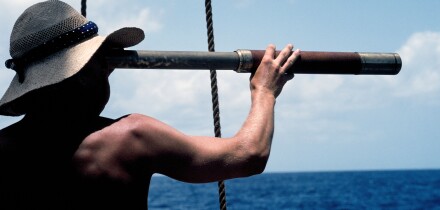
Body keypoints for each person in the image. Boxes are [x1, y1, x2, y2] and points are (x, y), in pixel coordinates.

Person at [0, 1, 300, 209]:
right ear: (79, 76)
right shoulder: (131, 138)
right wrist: (264, 91)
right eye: (101, 63)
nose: (109, 70)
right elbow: (248, 155)